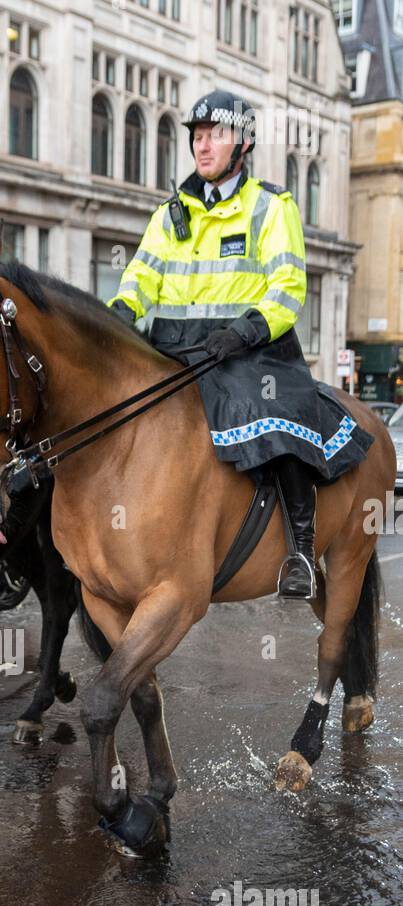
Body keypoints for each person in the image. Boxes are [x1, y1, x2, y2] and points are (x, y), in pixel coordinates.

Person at [108, 89, 372, 599]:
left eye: (217, 135)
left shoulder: (272, 207)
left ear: (243, 142)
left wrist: (247, 329)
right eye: (198, 137)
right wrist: (120, 313)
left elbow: (288, 288)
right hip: (174, 349)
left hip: (251, 349)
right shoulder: (170, 214)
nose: (204, 146)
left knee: (275, 418)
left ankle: (299, 548)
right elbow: (141, 275)